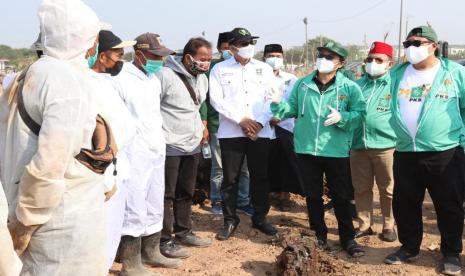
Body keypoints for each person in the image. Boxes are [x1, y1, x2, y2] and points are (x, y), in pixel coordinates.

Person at [0, 0, 107, 274]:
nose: (96, 45)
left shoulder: (35, 72)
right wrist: (28, 219)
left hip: (35, 207)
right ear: (82, 37)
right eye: (94, 37)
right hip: (60, 217)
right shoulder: (65, 80)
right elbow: (50, 161)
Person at [271, 41, 366, 257]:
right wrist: (277, 104)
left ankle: (347, 238)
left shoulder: (350, 87)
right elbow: (292, 109)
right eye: (321, 55)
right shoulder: (303, 84)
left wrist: (344, 117)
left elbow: (360, 115)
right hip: (306, 149)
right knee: (313, 196)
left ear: (340, 63)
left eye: (329, 57)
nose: (323, 59)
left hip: (335, 150)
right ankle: (319, 235)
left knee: (341, 196)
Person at [384, 26, 465, 276]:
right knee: (405, 202)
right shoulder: (397, 74)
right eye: (407, 44)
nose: (411, 48)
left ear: (433, 46)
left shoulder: (455, 73)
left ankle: (451, 252)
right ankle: (409, 247)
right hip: (407, 152)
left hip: (445, 152)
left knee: (449, 204)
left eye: (417, 43)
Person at [113, 32, 181, 275]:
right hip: (133, 150)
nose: (159, 61)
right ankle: (130, 262)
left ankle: (152, 251)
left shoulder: (153, 78)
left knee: (154, 200)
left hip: (155, 147)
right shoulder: (121, 77)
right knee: (134, 202)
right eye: (155, 56)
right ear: (139, 54)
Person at [209, 27, 277, 240]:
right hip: (231, 132)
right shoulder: (219, 69)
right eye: (244, 43)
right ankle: (230, 220)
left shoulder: (264, 69)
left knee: (261, 176)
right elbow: (216, 100)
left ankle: (260, 217)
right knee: (230, 178)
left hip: (261, 132)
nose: (249, 47)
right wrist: (241, 120)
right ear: (231, 47)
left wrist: (258, 122)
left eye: (251, 43)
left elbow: (273, 98)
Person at [155, 37, 213, 258]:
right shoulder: (165, 76)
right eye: (202, 59)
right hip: (169, 144)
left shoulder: (202, 79)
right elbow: (152, 107)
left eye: (209, 59)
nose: (206, 63)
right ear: (188, 57)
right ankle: (164, 239)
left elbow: (198, 107)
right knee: (166, 194)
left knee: (186, 192)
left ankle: (184, 231)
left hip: (192, 144)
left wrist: (201, 128)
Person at [351, 41, 397, 242]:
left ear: (390, 64)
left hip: (386, 145)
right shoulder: (357, 85)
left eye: (379, 60)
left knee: (388, 189)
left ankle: (389, 225)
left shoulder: (396, 85)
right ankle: (364, 224)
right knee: (361, 188)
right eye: (369, 59)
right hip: (359, 145)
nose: (373, 63)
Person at [207, 31, 252, 216]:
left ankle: (243, 201)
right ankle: (217, 200)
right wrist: (208, 123)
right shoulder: (216, 68)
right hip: (221, 126)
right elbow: (211, 101)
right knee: (219, 168)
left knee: (245, 169)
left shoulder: (255, 68)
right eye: (225, 48)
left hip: (249, 128)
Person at [264, 43, 304, 211]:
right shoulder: (257, 77)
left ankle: (284, 196)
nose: (275, 59)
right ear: (264, 58)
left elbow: (294, 101)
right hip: (264, 127)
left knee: (286, 162)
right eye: (271, 56)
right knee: (266, 162)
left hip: (285, 126)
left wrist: (280, 116)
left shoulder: (291, 79)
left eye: (278, 56)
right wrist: (268, 117)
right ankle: (266, 194)